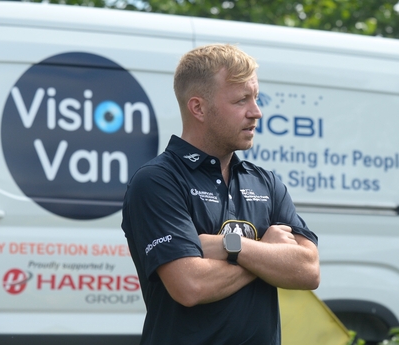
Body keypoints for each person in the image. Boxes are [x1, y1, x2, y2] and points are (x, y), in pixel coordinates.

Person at [121, 44, 320, 345]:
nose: (256, 112)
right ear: (198, 108)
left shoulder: (265, 182)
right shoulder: (157, 181)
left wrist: (232, 247)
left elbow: (308, 270)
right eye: (242, 100)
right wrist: (265, 254)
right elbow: (191, 286)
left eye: (255, 98)